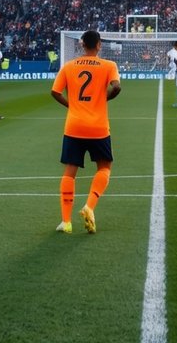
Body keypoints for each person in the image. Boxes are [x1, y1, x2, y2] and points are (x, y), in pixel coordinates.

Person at [51, 30, 121, 235]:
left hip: (74, 126)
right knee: (104, 167)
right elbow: (117, 87)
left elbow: (54, 92)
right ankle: (89, 206)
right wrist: (104, 99)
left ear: (82, 45)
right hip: (98, 127)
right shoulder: (109, 65)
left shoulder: (69, 66)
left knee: (70, 171)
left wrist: (71, 106)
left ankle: (66, 222)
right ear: (98, 45)